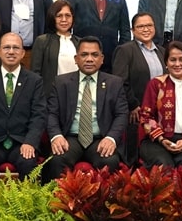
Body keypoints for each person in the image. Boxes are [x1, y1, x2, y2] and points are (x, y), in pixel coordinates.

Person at [43, 36, 128, 182]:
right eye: (84, 55)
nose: (89, 59)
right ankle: (57, 204)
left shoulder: (115, 83)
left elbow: (122, 114)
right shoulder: (61, 82)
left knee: (109, 161)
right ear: (76, 59)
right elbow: (51, 113)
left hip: (101, 138)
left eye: (94, 55)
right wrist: (56, 136)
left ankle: (102, 205)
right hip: (70, 138)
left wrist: (111, 138)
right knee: (57, 160)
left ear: (102, 59)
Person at [0, 33, 46, 189]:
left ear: (23, 53)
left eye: (16, 48)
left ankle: (27, 212)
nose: (11, 51)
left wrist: (30, 142)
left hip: (22, 143)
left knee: (29, 164)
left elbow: (39, 115)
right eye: (6, 47)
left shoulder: (34, 81)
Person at [138, 41, 182, 169]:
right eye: (173, 60)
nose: (177, 64)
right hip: (156, 141)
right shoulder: (156, 84)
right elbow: (146, 116)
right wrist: (161, 139)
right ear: (166, 62)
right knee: (164, 164)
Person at [111, 12, 165, 165]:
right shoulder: (125, 50)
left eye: (149, 25)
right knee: (134, 156)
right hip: (136, 111)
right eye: (141, 26)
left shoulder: (162, 51)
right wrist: (133, 104)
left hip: (160, 113)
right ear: (133, 30)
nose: (146, 29)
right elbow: (120, 81)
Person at [65, 0, 130, 70]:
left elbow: (125, 33)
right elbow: (66, 27)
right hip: (81, 57)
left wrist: (119, 55)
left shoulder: (119, 0)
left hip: (110, 60)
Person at [30, 0, 80, 94]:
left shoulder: (80, 42)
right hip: (50, 96)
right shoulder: (42, 41)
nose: (64, 19)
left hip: (76, 95)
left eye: (68, 16)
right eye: (59, 16)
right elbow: (35, 74)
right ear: (52, 18)